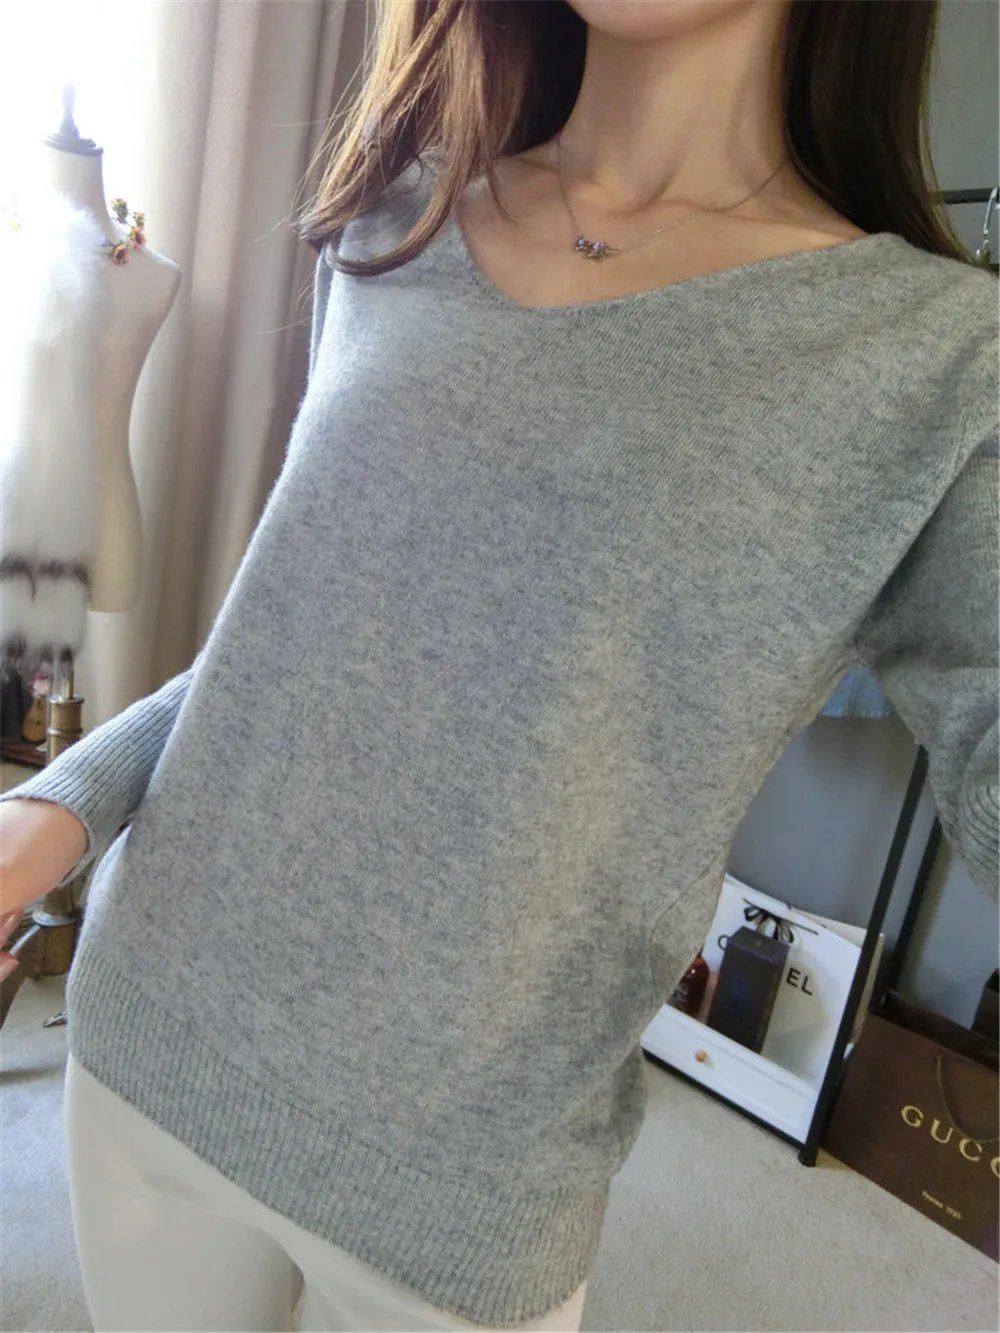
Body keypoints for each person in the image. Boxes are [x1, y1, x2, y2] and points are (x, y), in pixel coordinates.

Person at [1, 1, 996, 1330]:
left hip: (461, 1189)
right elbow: (285, 653)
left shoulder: (936, 362)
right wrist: (58, 804)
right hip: (153, 1043)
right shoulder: (394, 217)